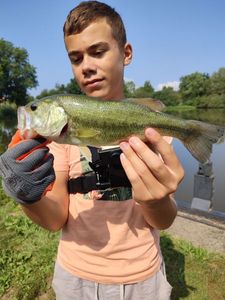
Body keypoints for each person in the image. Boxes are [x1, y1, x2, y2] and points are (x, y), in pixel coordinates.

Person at [0, 1, 184, 299]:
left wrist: (157, 201)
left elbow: (163, 220)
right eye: (75, 58)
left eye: (98, 52)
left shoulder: (154, 134)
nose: (86, 66)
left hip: (143, 276)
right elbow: (53, 220)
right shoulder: (58, 141)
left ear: (126, 54)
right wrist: (26, 194)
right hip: (75, 276)